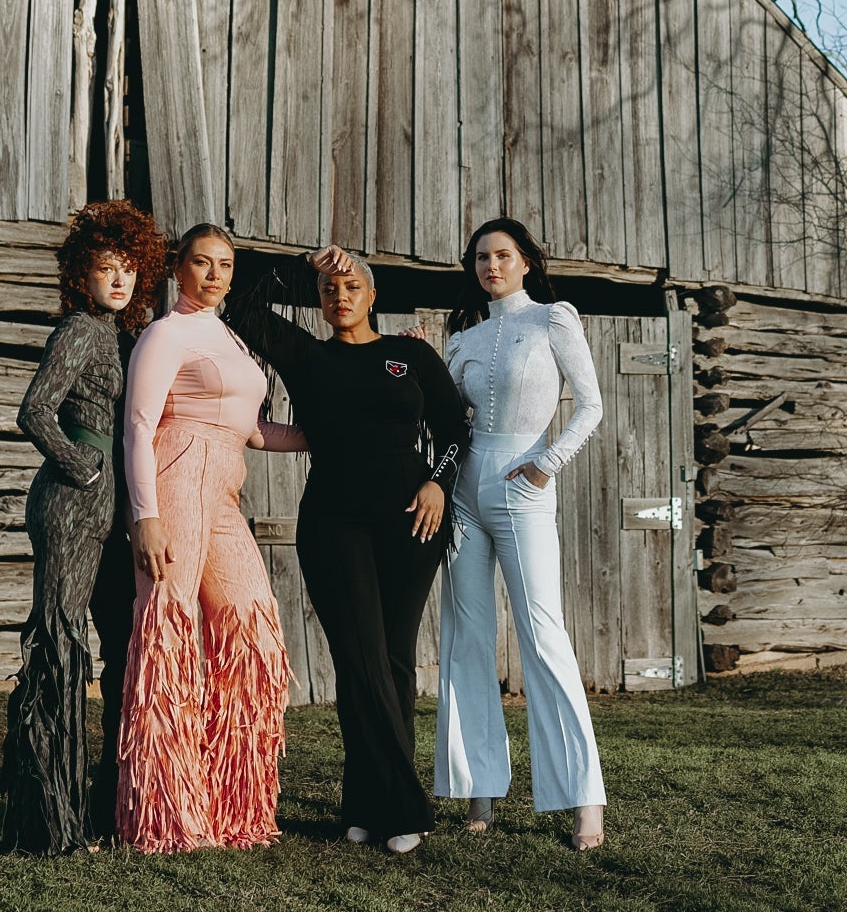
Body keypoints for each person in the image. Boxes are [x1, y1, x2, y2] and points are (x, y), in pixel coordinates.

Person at [225, 245, 468, 854]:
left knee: (391, 661)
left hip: (412, 522)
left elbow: (454, 428)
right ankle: (403, 807)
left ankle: (364, 802)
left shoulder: (409, 354)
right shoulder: (306, 356)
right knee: (359, 658)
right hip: (334, 525)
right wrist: (304, 261)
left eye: (352, 286)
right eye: (330, 290)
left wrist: (438, 480)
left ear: (373, 295)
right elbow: (242, 303)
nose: (340, 297)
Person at [116, 223, 306, 853]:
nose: (215, 275)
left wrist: (328, 431)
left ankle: (234, 806)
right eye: (202, 263)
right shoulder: (165, 334)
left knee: (251, 629)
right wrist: (145, 514)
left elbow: (255, 432)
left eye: (224, 264)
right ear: (179, 269)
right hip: (178, 473)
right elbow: (139, 426)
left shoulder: (227, 335)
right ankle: (167, 816)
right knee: (169, 636)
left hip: (226, 482)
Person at [435, 217, 609, 851]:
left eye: (502, 255)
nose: (491, 266)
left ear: (527, 261)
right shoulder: (465, 338)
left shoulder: (553, 319)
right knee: (466, 633)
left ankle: (584, 799)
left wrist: (546, 463)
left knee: (541, 633)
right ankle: (478, 788)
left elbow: (590, 404)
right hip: (463, 492)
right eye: (481, 257)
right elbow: (447, 421)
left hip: (522, 483)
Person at [1, 200, 169, 855]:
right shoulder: (78, 329)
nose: (119, 280)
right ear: (83, 273)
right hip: (71, 503)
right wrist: (86, 468)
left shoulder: (123, 335)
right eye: (107, 268)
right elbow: (35, 411)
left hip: (109, 514)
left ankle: (100, 805)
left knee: (114, 645)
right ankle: (48, 821)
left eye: (129, 268)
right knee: (60, 652)